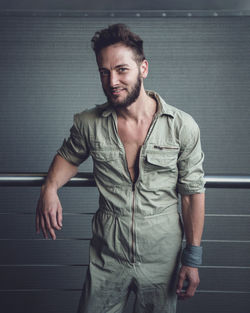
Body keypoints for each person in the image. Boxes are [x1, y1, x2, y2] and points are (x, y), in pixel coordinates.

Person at [36, 23, 205, 313]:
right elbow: (68, 157)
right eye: (104, 71)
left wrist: (192, 259)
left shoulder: (182, 126)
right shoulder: (89, 123)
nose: (112, 81)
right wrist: (49, 187)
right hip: (107, 255)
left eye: (122, 69)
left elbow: (191, 195)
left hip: (161, 256)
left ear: (143, 68)